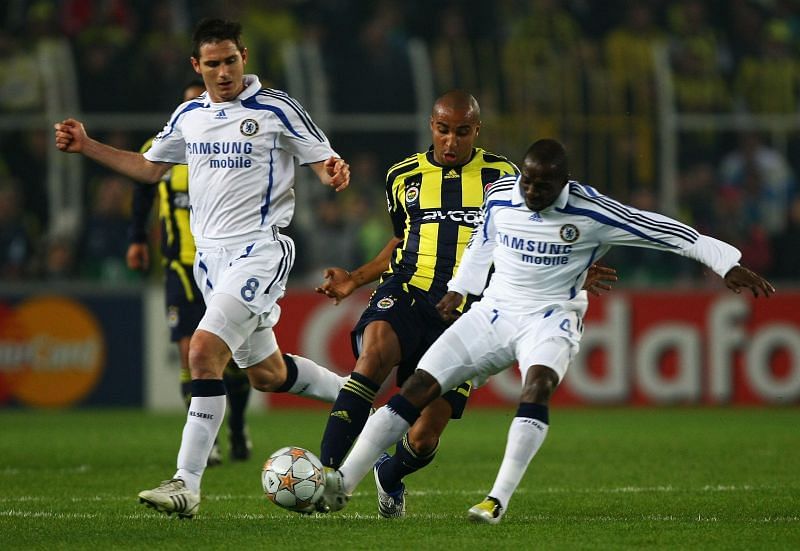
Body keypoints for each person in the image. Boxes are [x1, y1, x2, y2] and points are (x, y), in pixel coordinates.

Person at [321, 138, 775, 522]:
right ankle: (343, 483)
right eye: (528, 181)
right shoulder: (501, 194)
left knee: (536, 388)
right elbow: (483, 242)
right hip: (492, 312)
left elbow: (663, 230)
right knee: (416, 388)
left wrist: (725, 262)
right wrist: (461, 289)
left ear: (564, 183)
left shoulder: (592, 210)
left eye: (543, 184)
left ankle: (496, 499)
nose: (532, 190)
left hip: (550, 319)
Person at [54, 18, 351, 519]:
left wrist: (332, 171)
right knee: (266, 374)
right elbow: (150, 168)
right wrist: (87, 146)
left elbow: (321, 158)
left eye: (230, 60)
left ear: (244, 58)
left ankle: (186, 483)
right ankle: (367, 404)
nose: (222, 71)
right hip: (209, 263)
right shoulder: (190, 115)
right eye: (212, 63)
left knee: (202, 352)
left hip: (259, 251)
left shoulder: (276, 108)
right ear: (197, 66)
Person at [315, 92, 616, 518]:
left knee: (424, 435)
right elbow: (401, 242)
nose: (451, 140)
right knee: (374, 355)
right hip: (407, 289)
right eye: (443, 129)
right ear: (431, 127)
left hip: (466, 311)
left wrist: (569, 273)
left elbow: (532, 239)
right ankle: (326, 476)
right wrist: (354, 279)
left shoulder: (504, 178)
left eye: (461, 131)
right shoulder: (402, 177)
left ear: (477, 130)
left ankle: (390, 475)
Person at [126, 80, 252, 465]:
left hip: (226, 266)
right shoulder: (160, 148)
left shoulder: (230, 149)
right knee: (189, 354)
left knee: (232, 358)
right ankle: (207, 442)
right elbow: (142, 192)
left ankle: (237, 427)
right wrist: (137, 239)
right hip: (180, 266)